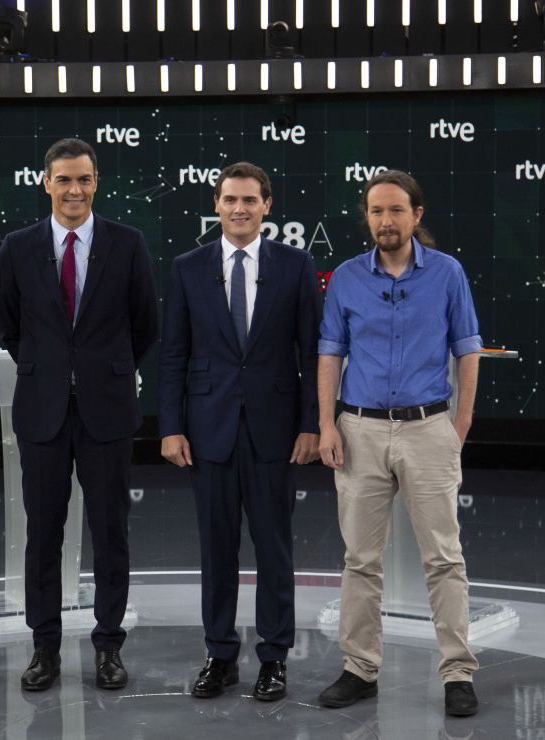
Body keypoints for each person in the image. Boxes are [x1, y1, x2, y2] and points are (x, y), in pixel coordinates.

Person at [316, 169, 482, 717]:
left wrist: (459, 424)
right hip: (359, 428)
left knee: (444, 557)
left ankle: (458, 673)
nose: (385, 221)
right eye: (376, 212)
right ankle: (359, 669)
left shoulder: (448, 273)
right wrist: (327, 424)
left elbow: (467, 349)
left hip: (428, 427)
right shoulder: (345, 277)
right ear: (367, 218)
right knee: (360, 560)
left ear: (416, 215)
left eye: (395, 211)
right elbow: (330, 355)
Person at [0, 138, 159, 691]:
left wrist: (102, 371)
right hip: (42, 413)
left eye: (84, 179)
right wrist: (54, 370)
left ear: (96, 182)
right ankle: (44, 650)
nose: (74, 190)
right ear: (45, 183)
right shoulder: (17, 248)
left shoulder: (128, 244)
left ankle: (109, 646)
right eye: (63, 180)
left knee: (110, 532)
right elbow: (13, 329)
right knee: (43, 535)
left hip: (107, 413)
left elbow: (145, 326)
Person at [158, 162, 322, 702]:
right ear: (217, 203)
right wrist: (172, 427)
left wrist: (311, 425)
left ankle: (274, 658)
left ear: (267, 206)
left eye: (250, 200)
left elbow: (312, 351)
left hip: (276, 432)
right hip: (208, 431)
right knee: (217, 549)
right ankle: (220, 655)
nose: (240, 209)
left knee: (274, 549)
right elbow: (175, 354)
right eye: (230, 200)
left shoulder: (296, 266)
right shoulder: (187, 267)